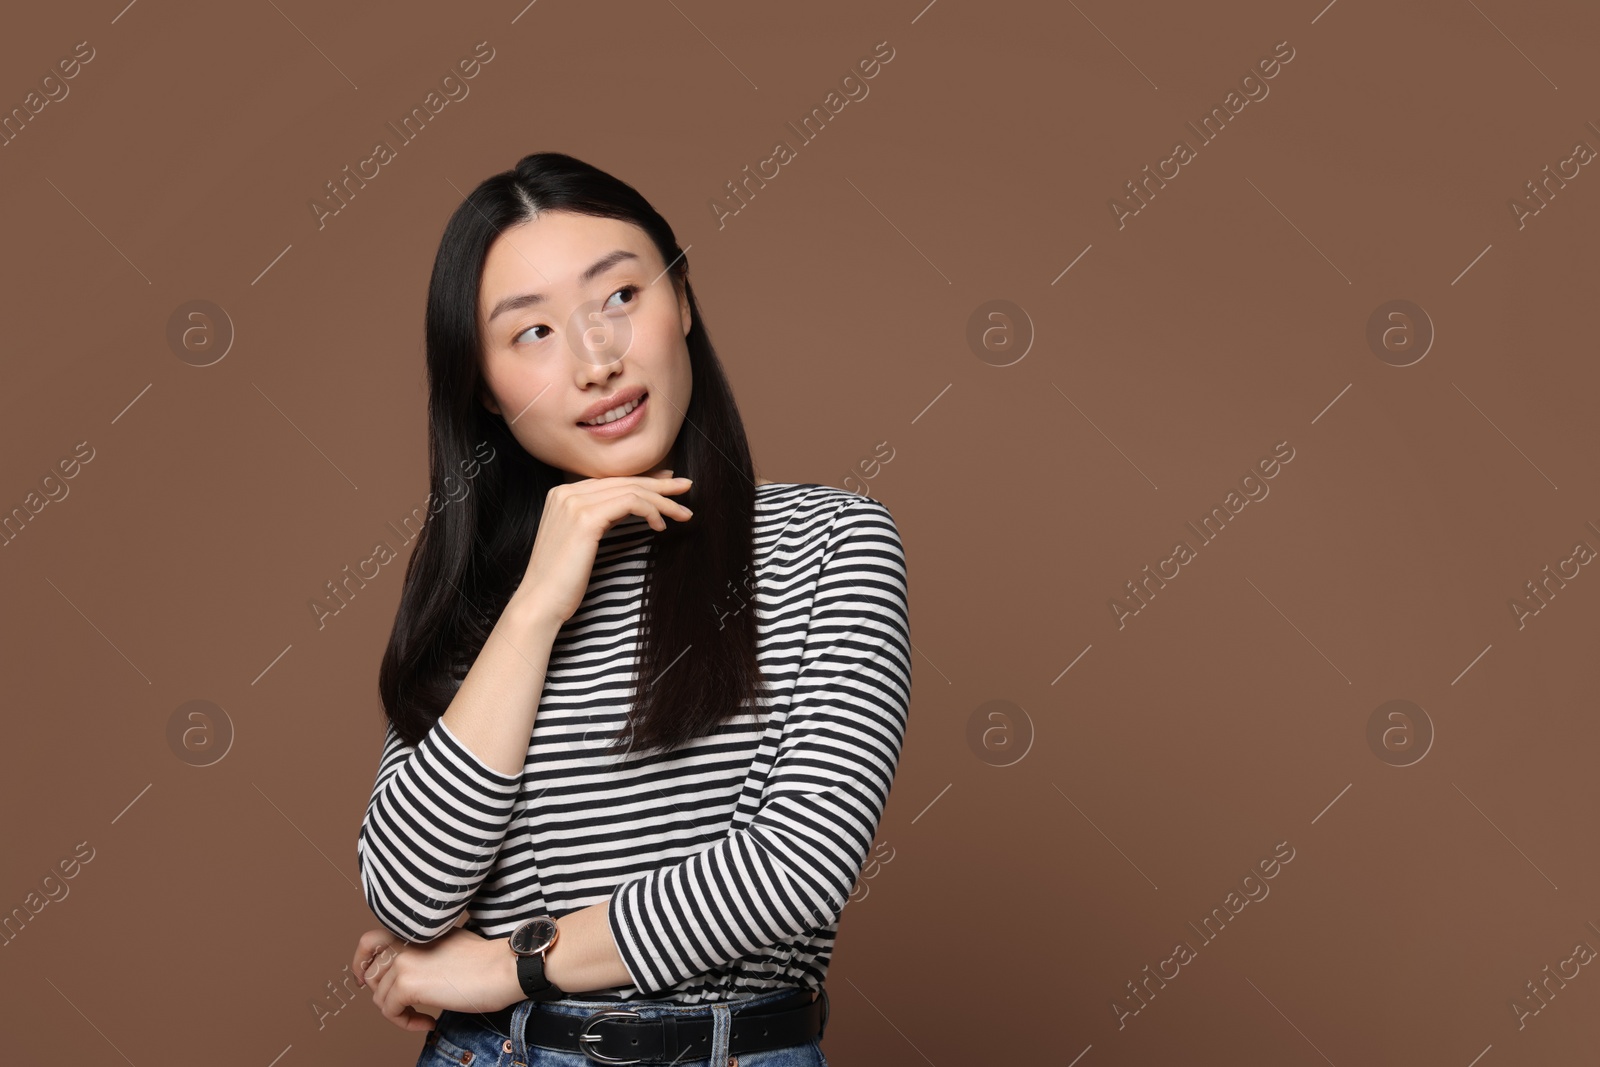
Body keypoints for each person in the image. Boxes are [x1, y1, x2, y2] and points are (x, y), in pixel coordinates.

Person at [347, 151, 912, 1067]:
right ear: (484, 388)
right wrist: (535, 607)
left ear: (681, 302)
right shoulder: (488, 596)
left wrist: (510, 967)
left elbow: (795, 867)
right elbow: (408, 897)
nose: (595, 360)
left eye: (618, 298)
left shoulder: (827, 543)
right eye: (531, 333)